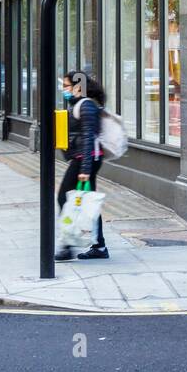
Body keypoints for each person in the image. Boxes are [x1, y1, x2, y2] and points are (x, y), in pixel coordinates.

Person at [56, 71, 109, 261]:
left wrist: (85, 169)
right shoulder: (80, 104)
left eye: (67, 86)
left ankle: (67, 244)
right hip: (86, 158)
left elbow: (89, 138)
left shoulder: (86, 105)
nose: (64, 90)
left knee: (65, 197)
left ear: (78, 86)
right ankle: (99, 246)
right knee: (87, 202)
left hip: (86, 159)